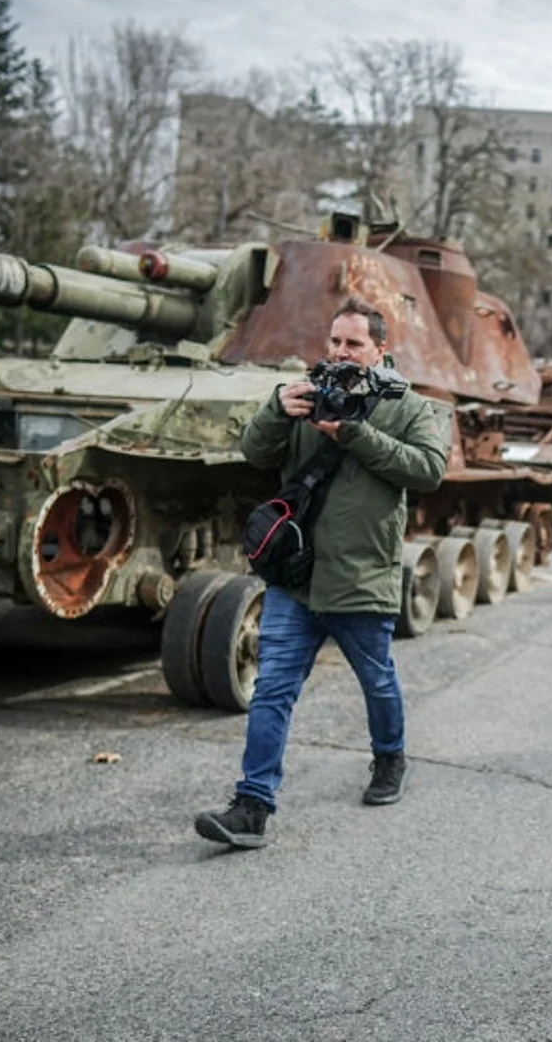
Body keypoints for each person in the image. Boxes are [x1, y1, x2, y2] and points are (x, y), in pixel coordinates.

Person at [195, 300, 451, 849]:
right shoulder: (305, 395)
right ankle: (252, 807)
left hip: (361, 576)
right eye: (335, 341)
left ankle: (389, 759)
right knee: (272, 691)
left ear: (380, 350)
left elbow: (429, 470)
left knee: (377, 681)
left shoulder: (408, 406)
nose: (340, 353)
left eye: (353, 344)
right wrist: (274, 409)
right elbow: (254, 452)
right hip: (296, 575)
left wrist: (354, 435)